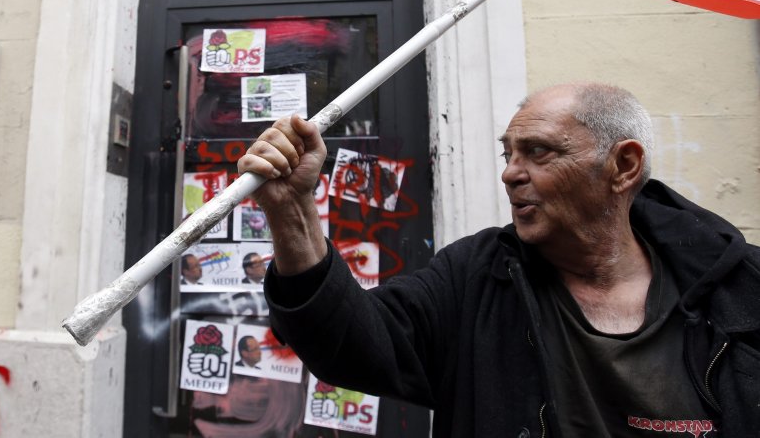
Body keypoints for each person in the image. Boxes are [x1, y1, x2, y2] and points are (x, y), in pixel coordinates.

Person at [237, 82, 760, 437]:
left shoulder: (741, 288)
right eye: (507, 153)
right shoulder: (476, 276)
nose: (511, 172)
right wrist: (292, 211)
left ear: (623, 166)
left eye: (539, 152)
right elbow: (353, 343)